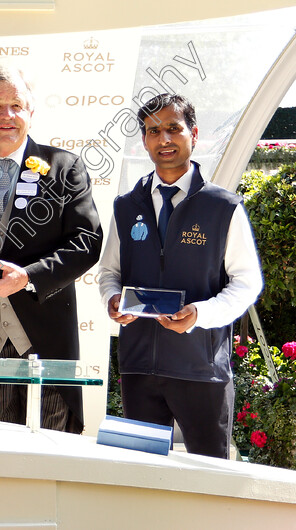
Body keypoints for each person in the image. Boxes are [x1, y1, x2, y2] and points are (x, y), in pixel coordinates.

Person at [0, 64, 102, 433]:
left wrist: (28, 276)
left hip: (49, 344)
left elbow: (87, 242)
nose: (6, 115)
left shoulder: (64, 167)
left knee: (55, 451)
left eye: (16, 105)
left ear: (30, 112)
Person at [98, 93, 263, 458]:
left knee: (209, 478)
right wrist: (112, 299)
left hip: (201, 370)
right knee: (143, 475)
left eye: (174, 128)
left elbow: (247, 282)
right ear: (144, 140)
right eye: (153, 131)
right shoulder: (127, 206)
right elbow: (109, 272)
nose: (164, 139)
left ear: (194, 134)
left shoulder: (223, 207)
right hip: (139, 368)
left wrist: (200, 315)